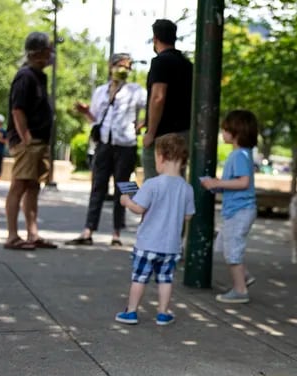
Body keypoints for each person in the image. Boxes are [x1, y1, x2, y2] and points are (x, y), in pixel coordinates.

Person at [66, 53, 146, 247]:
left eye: (127, 67)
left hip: (126, 144)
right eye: (120, 65)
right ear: (111, 67)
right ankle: (88, 230)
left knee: (124, 188)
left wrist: (142, 125)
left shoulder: (136, 91)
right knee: (98, 187)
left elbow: (150, 107)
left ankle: (117, 232)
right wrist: (86, 112)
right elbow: (96, 118)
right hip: (104, 144)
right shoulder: (100, 91)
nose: (123, 70)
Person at [115, 133, 195, 326]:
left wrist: (126, 201)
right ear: (183, 162)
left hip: (148, 243)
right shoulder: (187, 188)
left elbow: (139, 208)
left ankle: (131, 312)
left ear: (161, 158)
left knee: (139, 278)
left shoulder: (152, 184)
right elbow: (188, 216)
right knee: (165, 280)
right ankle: (163, 313)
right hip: (171, 246)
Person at [3, 32, 57, 251]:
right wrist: (26, 137)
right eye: (47, 50)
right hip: (28, 141)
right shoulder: (25, 76)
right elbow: (18, 109)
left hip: (39, 141)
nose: (51, 54)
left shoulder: (39, 76)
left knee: (33, 185)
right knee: (20, 184)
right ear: (38, 53)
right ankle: (12, 236)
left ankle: (32, 234)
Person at [200, 110, 259, 304]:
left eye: (225, 130)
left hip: (239, 211)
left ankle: (240, 290)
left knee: (232, 249)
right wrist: (217, 185)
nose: (222, 133)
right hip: (237, 209)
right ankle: (244, 278)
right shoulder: (243, 154)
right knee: (225, 245)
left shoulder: (239, 155)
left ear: (236, 132)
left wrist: (217, 183)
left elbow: (243, 183)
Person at [141, 19, 193, 180]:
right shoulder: (188, 64)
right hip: (184, 133)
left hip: (162, 135)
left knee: (154, 183)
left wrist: (150, 132)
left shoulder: (160, 62)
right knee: (176, 181)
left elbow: (158, 96)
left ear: (155, 39)